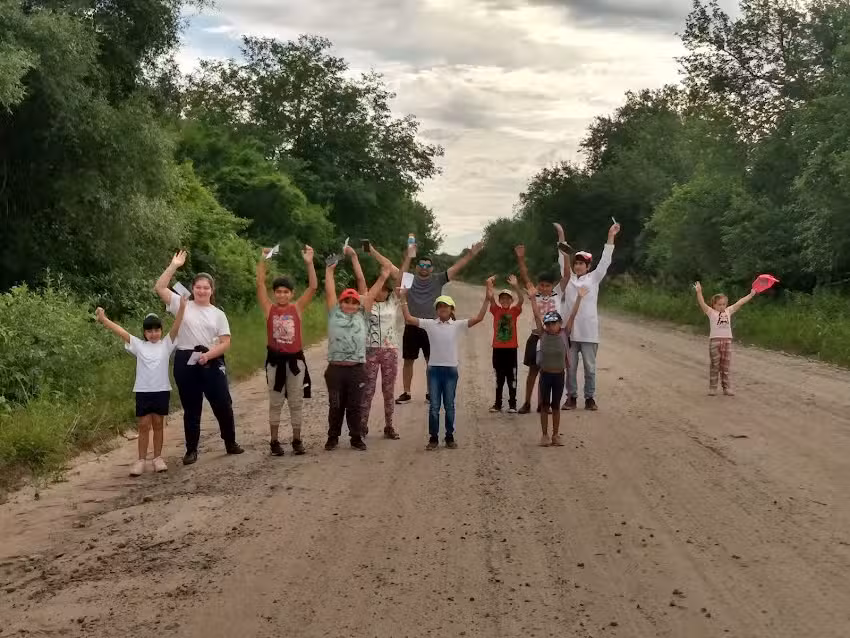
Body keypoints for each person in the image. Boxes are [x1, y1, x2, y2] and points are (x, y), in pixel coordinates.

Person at [154, 251, 244, 465]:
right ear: (193, 289)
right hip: (186, 359)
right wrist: (174, 265)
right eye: (198, 287)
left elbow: (225, 342)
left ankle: (230, 442)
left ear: (212, 291)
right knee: (191, 408)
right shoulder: (182, 303)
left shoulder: (218, 314)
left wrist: (208, 356)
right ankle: (191, 450)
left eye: (206, 287)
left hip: (211, 359)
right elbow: (159, 287)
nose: (202, 291)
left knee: (222, 403)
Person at [95, 297, 187, 475]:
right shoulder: (138, 345)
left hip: (161, 390)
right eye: (149, 330)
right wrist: (104, 319)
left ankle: (158, 458)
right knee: (144, 424)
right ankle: (141, 460)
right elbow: (121, 332)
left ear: (161, 330)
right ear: (144, 333)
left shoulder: (166, 344)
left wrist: (182, 307)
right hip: (143, 391)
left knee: (159, 423)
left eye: (157, 330)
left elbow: (176, 325)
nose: (154, 333)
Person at [399, 285, 490, 450]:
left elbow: (478, 318)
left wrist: (487, 299)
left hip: (450, 371)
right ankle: (433, 438)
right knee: (434, 406)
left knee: (449, 405)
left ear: (451, 309)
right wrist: (403, 298)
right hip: (434, 370)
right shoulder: (429, 324)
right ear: (436, 309)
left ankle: (449, 436)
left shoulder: (457, 325)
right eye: (440, 306)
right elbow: (409, 318)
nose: (443, 309)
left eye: (446, 306)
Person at [395, 241, 484, 405]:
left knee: (431, 360)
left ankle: (431, 392)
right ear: (417, 267)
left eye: (427, 265)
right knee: (408, 360)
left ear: (431, 268)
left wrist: (471, 255)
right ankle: (406, 392)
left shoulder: (437, 279)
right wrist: (408, 256)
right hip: (412, 324)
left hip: (431, 327)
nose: (424, 267)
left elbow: (456, 267)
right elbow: (399, 278)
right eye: (421, 264)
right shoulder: (410, 279)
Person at [256, 245, 318, 457]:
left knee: (295, 402)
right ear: (275, 293)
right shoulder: (269, 308)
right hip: (275, 362)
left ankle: (297, 439)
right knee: (275, 402)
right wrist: (263, 259)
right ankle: (274, 441)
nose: (282, 294)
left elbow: (313, 288)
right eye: (278, 291)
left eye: (286, 291)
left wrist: (309, 262)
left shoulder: (297, 308)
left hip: (295, 362)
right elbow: (260, 284)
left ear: (291, 294)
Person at [323, 250, 388, 451]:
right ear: (341, 303)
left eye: (353, 302)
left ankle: (356, 437)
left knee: (355, 405)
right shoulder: (334, 313)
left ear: (358, 304)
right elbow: (330, 291)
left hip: (357, 369)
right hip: (335, 369)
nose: (350, 305)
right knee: (336, 405)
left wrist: (384, 275)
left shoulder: (363, 315)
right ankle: (332, 437)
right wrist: (329, 270)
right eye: (346, 301)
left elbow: (373, 291)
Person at [558, 222, 620, 411]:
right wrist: (561, 236)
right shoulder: (568, 280)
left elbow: (605, 261)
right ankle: (571, 397)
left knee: (590, 368)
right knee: (570, 368)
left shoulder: (593, 278)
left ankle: (590, 398)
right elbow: (562, 259)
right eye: (576, 263)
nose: (577, 266)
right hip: (569, 332)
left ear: (587, 266)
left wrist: (611, 236)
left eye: (581, 264)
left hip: (589, 332)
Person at [349, 244, 407, 439]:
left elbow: (401, 275)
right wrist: (355, 257)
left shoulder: (394, 302)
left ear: (389, 291)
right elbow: (360, 279)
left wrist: (375, 254)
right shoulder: (367, 303)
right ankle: (362, 426)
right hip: (370, 350)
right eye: (379, 288)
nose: (381, 292)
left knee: (389, 391)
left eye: (385, 289)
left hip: (390, 350)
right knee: (368, 390)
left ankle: (389, 426)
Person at [515, 223, 567, 414]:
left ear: (552, 285)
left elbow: (566, 275)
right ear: (539, 285)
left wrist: (563, 248)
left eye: (547, 285)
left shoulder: (557, 293)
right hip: (537, 335)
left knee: (549, 372)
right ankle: (527, 402)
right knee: (533, 371)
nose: (544, 288)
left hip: (554, 337)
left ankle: (543, 404)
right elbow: (525, 275)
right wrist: (520, 258)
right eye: (542, 285)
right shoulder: (535, 294)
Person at [527, 283, 587, 447]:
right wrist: (533, 298)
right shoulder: (543, 333)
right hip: (545, 375)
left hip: (559, 375)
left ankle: (555, 435)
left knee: (556, 406)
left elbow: (573, 315)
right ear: (545, 325)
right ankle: (545, 435)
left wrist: (579, 298)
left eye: (555, 323)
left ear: (560, 323)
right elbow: (536, 314)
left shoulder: (564, 333)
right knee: (545, 406)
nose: (552, 326)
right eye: (549, 323)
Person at [694, 281, 755, 396]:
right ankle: (713, 388)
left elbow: (740, 302)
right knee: (715, 365)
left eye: (724, 304)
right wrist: (699, 292)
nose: (722, 306)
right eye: (719, 304)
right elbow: (702, 303)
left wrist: (751, 295)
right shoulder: (711, 312)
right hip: (714, 342)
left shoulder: (728, 311)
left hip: (727, 341)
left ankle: (726, 388)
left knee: (725, 366)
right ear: (714, 305)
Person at [488, 274, 524, 413]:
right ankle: (498, 403)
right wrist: (489, 284)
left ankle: (512, 404)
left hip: (511, 349)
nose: (504, 300)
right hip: (497, 349)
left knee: (512, 377)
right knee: (499, 377)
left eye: (507, 298)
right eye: (502, 298)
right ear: (499, 300)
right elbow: (490, 297)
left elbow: (521, 299)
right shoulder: (496, 310)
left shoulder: (514, 311)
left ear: (511, 300)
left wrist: (515, 286)